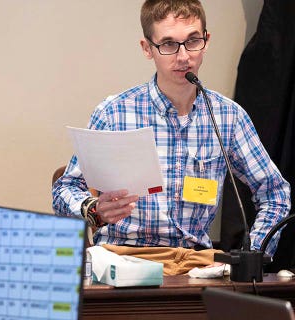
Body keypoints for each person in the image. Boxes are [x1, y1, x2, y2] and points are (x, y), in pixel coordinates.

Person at [52, 0, 290, 273]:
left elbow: (275, 193)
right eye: (168, 44)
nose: (183, 56)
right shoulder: (115, 112)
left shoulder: (227, 116)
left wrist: (254, 254)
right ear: (147, 49)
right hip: (124, 259)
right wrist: (94, 210)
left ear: (206, 41)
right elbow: (64, 190)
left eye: (192, 41)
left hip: (196, 266)